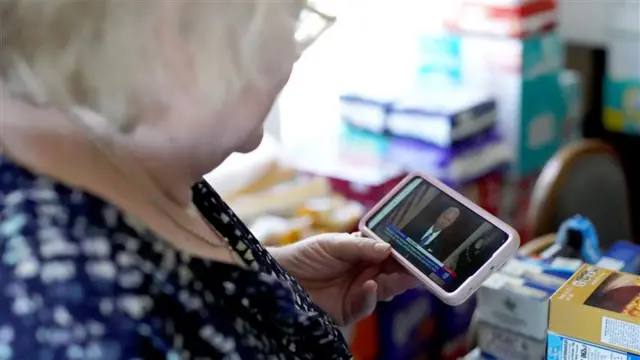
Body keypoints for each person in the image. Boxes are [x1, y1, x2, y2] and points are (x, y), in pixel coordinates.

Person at [0, 1, 416, 358]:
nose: (293, 50)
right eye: (291, 16)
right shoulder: (89, 323)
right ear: (177, 33)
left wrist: (265, 299)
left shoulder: (127, 151)